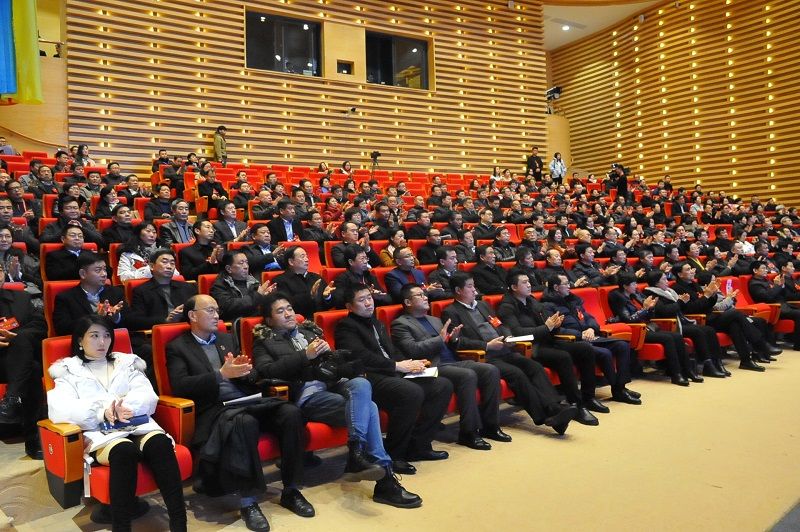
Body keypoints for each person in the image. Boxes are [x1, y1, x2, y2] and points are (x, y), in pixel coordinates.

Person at [253, 293, 422, 508]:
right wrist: (305, 355)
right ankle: (382, 477)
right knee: (370, 407)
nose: (288, 314)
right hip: (308, 395)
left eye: (289, 308)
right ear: (269, 320)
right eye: (280, 311)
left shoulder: (308, 332)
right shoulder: (265, 342)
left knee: (361, 384)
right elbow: (267, 371)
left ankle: (358, 454)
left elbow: (332, 366)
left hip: (332, 384)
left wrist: (343, 363)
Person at [166, 295, 312, 531]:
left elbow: (252, 377)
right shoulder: (178, 347)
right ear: (192, 315)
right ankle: (248, 502)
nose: (217, 315)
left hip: (246, 400)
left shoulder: (226, 338)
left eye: (217, 310)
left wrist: (246, 372)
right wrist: (220, 375)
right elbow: (180, 386)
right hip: (215, 409)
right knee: (245, 422)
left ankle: (291, 490)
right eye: (210, 310)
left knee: (290, 412)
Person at [47, 315, 187, 531]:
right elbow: (61, 409)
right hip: (100, 432)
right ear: (80, 340)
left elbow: (147, 395)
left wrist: (126, 408)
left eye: (106, 336)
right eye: (94, 336)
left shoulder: (126, 363)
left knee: (160, 444)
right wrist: (103, 412)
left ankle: (179, 524)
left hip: (136, 422)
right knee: (124, 451)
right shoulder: (68, 370)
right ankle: (121, 528)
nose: (102, 342)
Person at [335, 285, 453, 473]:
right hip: (370, 376)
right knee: (410, 392)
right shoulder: (345, 326)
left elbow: (391, 352)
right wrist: (396, 366)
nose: (368, 303)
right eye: (361, 300)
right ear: (349, 306)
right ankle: (395, 454)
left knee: (442, 385)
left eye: (369, 298)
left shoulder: (378, 323)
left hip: (392, 372)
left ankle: (419, 446)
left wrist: (411, 363)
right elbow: (360, 356)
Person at [442, 272, 578, 434]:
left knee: (533, 366)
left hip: (504, 349)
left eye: (474, 285)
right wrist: (487, 345)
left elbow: (500, 325)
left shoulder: (483, 305)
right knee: (517, 374)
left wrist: (508, 337)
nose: (474, 289)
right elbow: (457, 342)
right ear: (458, 290)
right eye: (470, 286)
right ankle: (545, 416)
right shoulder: (451, 312)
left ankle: (554, 409)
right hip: (484, 357)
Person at [392, 284, 508, 449]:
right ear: (407, 302)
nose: (425, 297)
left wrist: (453, 339)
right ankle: (469, 432)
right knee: (467, 375)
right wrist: (440, 339)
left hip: (453, 361)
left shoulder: (434, 320)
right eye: (420, 295)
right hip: (431, 365)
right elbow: (413, 350)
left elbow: (449, 345)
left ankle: (491, 425)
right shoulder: (400, 324)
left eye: (425, 294)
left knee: (490, 370)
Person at [498, 272, 602, 424]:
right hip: (531, 348)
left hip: (548, 341)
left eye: (529, 281)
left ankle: (588, 397)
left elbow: (549, 325)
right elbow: (517, 334)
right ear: (514, 287)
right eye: (524, 282)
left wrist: (555, 325)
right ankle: (575, 403)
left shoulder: (532, 301)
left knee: (585, 349)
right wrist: (546, 328)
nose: (529, 284)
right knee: (562, 357)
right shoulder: (506, 307)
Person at [541, 274, 642, 405]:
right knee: (605, 353)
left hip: (590, 336)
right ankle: (618, 390)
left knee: (622, 345)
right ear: (556, 287)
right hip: (573, 341)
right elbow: (554, 330)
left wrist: (591, 328)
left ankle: (621, 387)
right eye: (565, 284)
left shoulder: (573, 300)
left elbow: (589, 318)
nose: (569, 286)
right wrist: (580, 335)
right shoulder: (547, 306)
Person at [674, 264, 779, 371]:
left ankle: (746, 360)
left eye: (691, 268)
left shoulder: (694, 284)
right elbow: (691, 309)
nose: (692, 271)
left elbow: (709, 304)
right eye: (688, 269)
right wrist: (706, 296)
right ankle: (761, 344)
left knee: (735, 325)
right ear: (680, 274)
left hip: (711, 315)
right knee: (736, 314)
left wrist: (713, 295)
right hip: (701, 320)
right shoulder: (678, 288)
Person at [609, 273, 701, 385]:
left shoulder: (636, 295)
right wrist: (645, 309)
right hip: (636, 330)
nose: (636, 286)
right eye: (633, 284)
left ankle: (688, 370)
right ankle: (676, 374)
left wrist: (651, 309)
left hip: (647, 327)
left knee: (677, 336)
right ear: (625, 286)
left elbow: (650, 316)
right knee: (668, 338)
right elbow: (628, 319)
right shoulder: (619, 298)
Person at [643, 271, 727, 378]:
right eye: (664, 279)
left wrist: (711, 295)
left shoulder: (670, 291)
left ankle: (717, 362)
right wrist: (680, 302)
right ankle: (707, 365)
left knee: (709, 329)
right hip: (669, 324)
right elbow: (665, 311)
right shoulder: (652, 294)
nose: (667, 281)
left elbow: (684, 308)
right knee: (697, 331)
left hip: (681, 320)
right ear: (656, 283)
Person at [0, 282, 47, 459]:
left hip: (16, 359)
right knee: (31, 368)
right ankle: (12, 400)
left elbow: (40, 326)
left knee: (32, 368)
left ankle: (13, 401)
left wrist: (18, 337)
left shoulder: (21, 298)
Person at [52, 253, 127, 336]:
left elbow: (131, 322)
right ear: (83, 274)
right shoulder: (65, 298)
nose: (104, 274)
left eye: (105, 269)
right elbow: (62, 329)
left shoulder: (116, 292)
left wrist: (117, 318)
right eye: (98, 270)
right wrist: (95, 318)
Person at [748, 260, 800, 351]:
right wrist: (778, 286)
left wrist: (781, 285)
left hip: (782, 305)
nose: (766, 270)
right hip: (772, 308)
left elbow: (778, 293)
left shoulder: (766, 280)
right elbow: (768, 297)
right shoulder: (755, 284)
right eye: (763, 268)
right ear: (755, 270)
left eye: (766, 268)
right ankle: (798, 345)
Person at [210, 251, 277, 321]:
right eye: (241, 263)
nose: (246, 266)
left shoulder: (253, 281)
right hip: (235, 322)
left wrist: (266, 296)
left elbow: (258, 304)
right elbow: (228, 306)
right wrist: (258, 295)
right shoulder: (219, 285)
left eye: (246, 262)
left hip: (256, 320)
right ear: (229, 269)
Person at [272, 245, 333, 318]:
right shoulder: (280, 281)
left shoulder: (317, 278)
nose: (307, 259)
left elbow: (328, 306)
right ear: (291, 262)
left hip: (321, 319)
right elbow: (289, 306)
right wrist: (310, 296)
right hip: (299, 321)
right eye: (302, 256)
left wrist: (327, 297)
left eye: (306, 256)